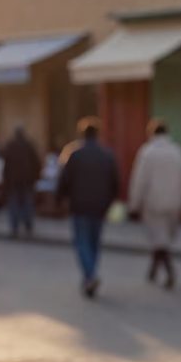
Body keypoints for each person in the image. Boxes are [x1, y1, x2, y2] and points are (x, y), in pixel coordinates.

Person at [57, 117, 119, 298]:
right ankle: (90, 274)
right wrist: (110, 200)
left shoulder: (75, 155)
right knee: (94, 241)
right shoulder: (107, 155)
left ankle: (90, 275)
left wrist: (60, 198)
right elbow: (115, 182)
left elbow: (65, 180)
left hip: (79, 205)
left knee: (82, 241)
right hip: (100, 206)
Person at [128, 119, 181, 289]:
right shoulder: (177, 152)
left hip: (153, 203)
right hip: (174, 202)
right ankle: (153, 271)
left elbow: (140, 181)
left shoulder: (147, 152)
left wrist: (134, 204)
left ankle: (169, 272)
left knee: (159, 240)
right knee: (163, 238)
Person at [1, 123, 42, 238]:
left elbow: (6, 166)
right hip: (27, 181)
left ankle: (14, 228)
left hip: (13, 181)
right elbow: (37, 163)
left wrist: (5, 180)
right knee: (27, 204)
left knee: (14, 204)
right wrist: (35, 177)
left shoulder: (10, 146)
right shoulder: (29, 145)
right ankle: (28, 226)